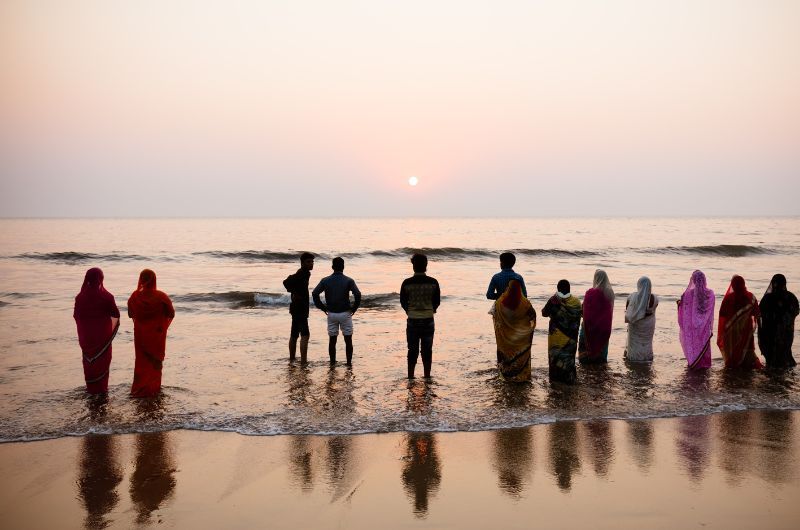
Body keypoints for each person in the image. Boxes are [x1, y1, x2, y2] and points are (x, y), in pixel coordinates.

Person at [128, 269, 175, 397]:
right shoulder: (161, 297)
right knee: (155, 362)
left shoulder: (134, 296)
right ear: (154, 280)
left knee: (142, 362)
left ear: (141, 280)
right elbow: (171, 313)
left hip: (141, 336)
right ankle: (153, 390)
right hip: (156, 336)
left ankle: (139, 389)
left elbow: (130, 314)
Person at [74, 268, 120, 394]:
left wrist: (85, 328)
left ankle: (91, 391)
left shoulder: (80, 298)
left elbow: (76, 316)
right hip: (102, 339)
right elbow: (115, 314)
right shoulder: (107, 297)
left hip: (87, 339)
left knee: (89, 365)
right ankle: (102, 391)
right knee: (102, 364)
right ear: (101, 279)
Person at [312, 257, 362, 366]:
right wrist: (354, 308)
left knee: (332, 340)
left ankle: (333, 363)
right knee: (348, 340)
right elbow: (357, 294)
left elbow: (315, 294)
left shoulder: (325, 280)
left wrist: (322, 307)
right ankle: (348, 364)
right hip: (345, 313)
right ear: (343, 267)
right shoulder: (349, 280)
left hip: (331, 313)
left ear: (332, 267)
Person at [400, 253, 441, 379]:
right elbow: (437, 301)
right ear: (426, 265)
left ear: (413, 266)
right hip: (428, 319)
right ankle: (427, 376)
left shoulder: (406, 283)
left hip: (412, 319)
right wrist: (431, 309)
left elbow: (402, 301)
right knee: (427, 350)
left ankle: (411, 376)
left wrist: (409, 311)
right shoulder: (433, 282)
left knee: (412, 350)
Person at [492, 279, 536, 382]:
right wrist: (528, 330)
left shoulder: (499, 303)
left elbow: (494, 314)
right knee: (520, 356)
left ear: (508, 288)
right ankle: (521, 377)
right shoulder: (525, 304)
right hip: (520, 339)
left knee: (506, 355)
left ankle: (506, 376)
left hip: (505, 339)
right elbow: (532, 316)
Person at [717, 275, 762, 369]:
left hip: (730, 332)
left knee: (732, 359)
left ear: (732, 285)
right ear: (743, 284)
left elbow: (722, 315)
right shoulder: (751, 297)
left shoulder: (728, 299)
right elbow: (757, 314)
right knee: (747, 352)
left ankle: (734, 367)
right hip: (746, 331)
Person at [542, 279, 582, 384]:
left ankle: (556, 379)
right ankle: (569, 379)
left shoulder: (554, 300)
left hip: (556, 337)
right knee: (569, 357)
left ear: (558, 289)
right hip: (571, 338)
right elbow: (581, 315)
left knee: (555, 357)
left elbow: (544, 313)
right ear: (569, 289)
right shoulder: (577, 302)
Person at [758, 274, 799, 368]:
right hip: (786, 333)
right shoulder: (791, 297)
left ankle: (773, 373)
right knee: (785, 352)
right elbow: (796, 312)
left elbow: (759, 313)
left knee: (772, 356)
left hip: (770, 333)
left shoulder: (767, 298)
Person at [677, 270, 715, 370]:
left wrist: (680, 305)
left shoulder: (687, 294)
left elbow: (684, 312)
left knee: (693, 346)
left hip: (691, 327)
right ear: (704, 280)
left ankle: (693, 363)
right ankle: (704, 365)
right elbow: (710, 311)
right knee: (703, 345)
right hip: (704, 327)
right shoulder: (710, 294)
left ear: (693, 280)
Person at [283, 252, 314, 363]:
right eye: (308, 262)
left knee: (294, 334)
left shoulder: (305, 273)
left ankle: (292, 359)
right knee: (305, 335)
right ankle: (303, 361)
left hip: (296, 308)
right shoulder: (302, 273)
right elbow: (286, 282)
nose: (311, 264)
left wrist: (294, 291)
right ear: (302, 263)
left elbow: (291, 284)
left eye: (312, 262)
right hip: (300, 308)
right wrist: (294, 292)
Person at [578, 269, 614, 364]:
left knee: (585, 356)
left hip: (589, 327)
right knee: (601, 352)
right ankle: (600, 366)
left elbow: (584, 311)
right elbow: (609, 311)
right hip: (604, 328)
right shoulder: (610, 293)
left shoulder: (590, 293)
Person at [624, 276, 658, 362]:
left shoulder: (632, 297)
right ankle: (647, 357)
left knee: (634, 342)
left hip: (635, 324)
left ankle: (634, 358)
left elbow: (628, 309)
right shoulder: (654, 298)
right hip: (649, 324)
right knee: (647, 342)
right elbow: (652, 309)